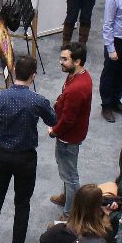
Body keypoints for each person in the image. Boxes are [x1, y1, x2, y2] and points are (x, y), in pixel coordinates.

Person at [0, 56, 56, 243]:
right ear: (33, 76)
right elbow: (53, 120)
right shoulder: (38, 101)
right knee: (22, 203)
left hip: (2, 156)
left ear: (14, 71)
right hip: (26, 158)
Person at [47, 43, 92, 211]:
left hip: (68, 137)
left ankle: (69, 212)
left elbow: (68, 120)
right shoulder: (79, 75)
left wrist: (54, 131)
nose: (60, 62)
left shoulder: (77, 88)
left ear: (78, 61)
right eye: (61, 58)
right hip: (71, 134)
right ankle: (66, 196)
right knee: (65, 169)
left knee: (70, 175)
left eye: (65, 59)